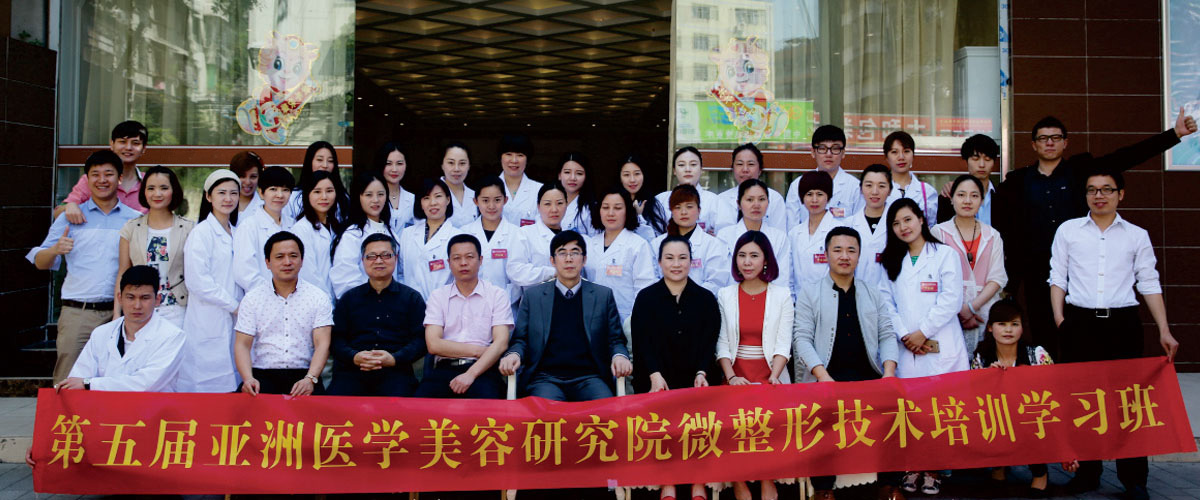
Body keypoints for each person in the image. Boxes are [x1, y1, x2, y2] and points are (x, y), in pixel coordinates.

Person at [995, 113, 1196, 359]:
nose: (1049, 143)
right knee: (1044, 342)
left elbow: (1127, 156)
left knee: (1084, 348)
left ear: (1065, 142)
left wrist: (1174, 134)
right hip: (1038, 274)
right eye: (1043, 138)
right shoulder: (1019, 181)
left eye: (1055, 138)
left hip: (1083, 271)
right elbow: (1003, 225)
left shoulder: (1081, 171)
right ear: (1033, 144)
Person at [1050, 168, 1180, 500]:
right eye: (1092, 189)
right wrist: (1061, 319)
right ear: (1085, 195)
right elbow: (1057, 277)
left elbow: (1149, 282)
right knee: (1082, 401)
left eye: (1107, 189)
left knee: (1129, 403)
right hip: (1079, 323)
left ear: (1120, 194)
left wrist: (1164, 330)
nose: (1099, 195)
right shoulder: (1068, 231)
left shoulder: (1136, 235)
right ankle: (1088, 474)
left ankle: (1134, 478)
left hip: (1122, 324)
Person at [793, 226, 901, 500]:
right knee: (820, 422)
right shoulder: (810, 292)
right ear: (826, 254)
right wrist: (823, 376)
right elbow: (802, 338)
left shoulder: (871, 292)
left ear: (859, 255)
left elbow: (887, 334)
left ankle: (889, 486)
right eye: (838, 250)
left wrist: (889, 373)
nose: (844, 256)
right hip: (827, 375)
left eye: (851, 250)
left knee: (894, 413)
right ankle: (824, 489)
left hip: (868, 375)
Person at [28, 149, 141, 383]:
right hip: (77, 313)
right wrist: (55, 249)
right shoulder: (70, 218)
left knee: (118, 381)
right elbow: (40, 262)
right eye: (95, 174)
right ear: (87, 179)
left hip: (121, 313)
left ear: (120, 179)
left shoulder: (134, 219)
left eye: (108, 174)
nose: (102, 180)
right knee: (68, 379)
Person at [879, 198, 967, 496]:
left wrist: (923, 332)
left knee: (939, 410)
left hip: (941, 344)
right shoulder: (890, 261)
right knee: (911, 411)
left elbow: (951, 299)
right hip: (906, 348)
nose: (903, 227)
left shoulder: (945, 254)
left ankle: (934, 469)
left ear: (921, 219)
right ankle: (912, 466)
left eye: (907, 219)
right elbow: (885, 302)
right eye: (896, 223)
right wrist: (906, 334)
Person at [631, 235, 720, 500]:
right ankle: (668, 480)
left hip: (696, 376)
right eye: (669, 258)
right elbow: (641, 342)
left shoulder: (705, 299)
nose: (676, 264)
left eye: (682, 258)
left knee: (701, 415)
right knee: (661, 414)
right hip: (657, 376)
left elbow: (710, 342)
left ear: (691, 262)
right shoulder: (646, 298)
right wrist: (654, 374)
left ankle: (697, 480)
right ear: (659, 262)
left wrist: (702, 371)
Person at [498, 230, 632, 400]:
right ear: (552, 260)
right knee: (546, 412)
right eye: (562, 253)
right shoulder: (534, 297)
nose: (569, 259)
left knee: (604, 410)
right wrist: (514, 354)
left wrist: (620, 356)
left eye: (575, 253)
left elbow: (615, 339)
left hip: (590, 377)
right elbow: (520, 340)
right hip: (545, 378)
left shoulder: (602, 296)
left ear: (584, 259)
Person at [715, 230, 793, 500]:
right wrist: (731, 377)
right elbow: (722, 342)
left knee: (768, 418)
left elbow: (783, 343)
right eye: (742, 256)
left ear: (766, 260)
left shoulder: (782, 295)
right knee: (733, 419)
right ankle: (739, 480)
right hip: (735, 373)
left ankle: (767, 477)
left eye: (754, 256)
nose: (747, 262)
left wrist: (774, 377)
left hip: (770, 373)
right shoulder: (725, 294)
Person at [55, 265, 186, 392]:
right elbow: (78, 378)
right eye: (130, 297)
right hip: (103, 405)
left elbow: (144, 384)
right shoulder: (101, 333)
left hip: (153, 406)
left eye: (145, 298)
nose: (137, 305)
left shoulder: (172, 336)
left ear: (157, 300)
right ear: (120, 298)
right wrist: (85, 383)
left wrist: (90, 384)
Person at [970, 300, 1053, 497]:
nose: (1008, 330)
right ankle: (999, 465)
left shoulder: (1036, 354)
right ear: (990, 327)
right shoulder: (982, 356)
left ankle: (1040, 472)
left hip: (1031, 415)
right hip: (999, 416)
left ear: (1022, 328)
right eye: (1002, 324)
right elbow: (974, 397)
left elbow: (1053, 392)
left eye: (1014, 324)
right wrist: (988, 378)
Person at [234, 231, 333, 396]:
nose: (287, 262)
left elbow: (322, 344)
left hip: (304, 375)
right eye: (279, 257)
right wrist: (248, 378)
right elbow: (242, 344)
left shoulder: (318, 297)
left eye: (293, 256)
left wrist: (310, 379)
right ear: (267, 262)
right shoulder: (252, 299)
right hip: (262, 375)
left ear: (302, 260)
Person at [328, 233, 427, 397]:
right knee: (336, 404)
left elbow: (421, 340)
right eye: (372, 256)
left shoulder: (411, 298)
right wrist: (354, 356)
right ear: (363, 260)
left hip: (396, 371)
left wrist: (395, 358)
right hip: (353, 370)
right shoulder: (349, 299)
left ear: (396, 258)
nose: (379, 261)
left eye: (386, 255)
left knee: (402, 404)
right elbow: (336, 339)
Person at [416, 234, 513, 398]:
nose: (463, 263)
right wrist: (479, 350)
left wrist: (470, 374)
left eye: (469, 257)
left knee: (490, 406)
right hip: (444, 369)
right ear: (449, 263)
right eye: (457, 258)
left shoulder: (497, 295)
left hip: (483, 369)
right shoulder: (438, 296)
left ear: (480, 260)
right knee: (419, 407)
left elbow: (501, 343)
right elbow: (433, 345)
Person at [177, 170, 243, 393]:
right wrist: (233, 305)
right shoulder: (201, 233)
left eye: (233, 193)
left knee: (233, 380)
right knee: (205, 385)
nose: (228, 198)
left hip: (235, 317)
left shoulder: (238, 232)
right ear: (208, 196)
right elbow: (198, 281)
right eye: (221, 193)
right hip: (208, 317)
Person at [932, 175, 1006, 351]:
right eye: (961, 195)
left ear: (981, 200)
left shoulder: (993, 235)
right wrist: (960, 310)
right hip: (949, 314)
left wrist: (971, 308)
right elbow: (934, 278)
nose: (967, 201)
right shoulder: (938, 233)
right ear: (951, 199)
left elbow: (997, 278)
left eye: (974, 195)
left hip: (986, 312)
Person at [114, 166, 194, 327]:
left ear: (174, 191)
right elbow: (123, 272)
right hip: (139, 309)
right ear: (144, 192)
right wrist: (117, 313)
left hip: (178, 309)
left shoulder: (189, 228)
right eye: (151, 188)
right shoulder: (130, 228)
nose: (157, 194)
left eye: (164, 188)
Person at [584, 186, 657, 322]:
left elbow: (644, 288)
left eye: (617, 208)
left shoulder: (638, 245)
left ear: (627, 211)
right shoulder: (589, 244)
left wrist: (634, 321)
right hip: (592, 318)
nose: (611, 213)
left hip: (627, 319)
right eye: (605, 207)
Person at [56, 121, 148, 220]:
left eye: (135, 143)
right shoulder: (93, 180)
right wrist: (69, 206)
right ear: (112, 144)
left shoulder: (149, 182)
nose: (128, 147)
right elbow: (58, 213)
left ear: (143, 148)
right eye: (122, 142)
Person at [718, 179, 793, 296]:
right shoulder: (725, 236)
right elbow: (723, 276)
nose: (756, 205)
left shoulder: (779, 237)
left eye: (762, 199)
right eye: (750, 200)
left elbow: (782, 278)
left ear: (768, 203)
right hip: (733, 298)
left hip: (771, 300)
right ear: (738, 204)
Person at [460, 176, 525, 311]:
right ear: (475, 201)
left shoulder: (517, 234)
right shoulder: (464, 233)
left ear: (505, 200)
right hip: (469, 307)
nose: (491, 206)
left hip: (506, 307)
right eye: (485, 200)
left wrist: (499, 302)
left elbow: (518, 277)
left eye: (497, 200)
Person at [651, 184, 730, 294]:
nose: (683, 212)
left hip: (700, 302)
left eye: (689, 206)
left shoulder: (713, 245)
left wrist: (688, 298)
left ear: (699, 210)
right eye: (678, 207)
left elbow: (716, 282)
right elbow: (652, 278)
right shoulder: (656, 244)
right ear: (671, 211)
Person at [331, 170, 397, 299]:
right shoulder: (352, 235)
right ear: (358, 197)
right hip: (363, 304)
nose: (375, 200)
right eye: (368, 195)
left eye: (380, 194)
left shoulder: (391, 232)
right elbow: (345, 280)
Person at [232, 166, 295, 293]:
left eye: (285, 190)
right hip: (261, 297)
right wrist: (273, 293)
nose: (279, 195)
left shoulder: (293, 225)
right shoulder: (249, 226)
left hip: (292, 296)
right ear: (261, 193)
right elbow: (244, 272)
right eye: (273, 189)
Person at [786, 125, 863, 225]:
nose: (829, 154)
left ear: (843, 153)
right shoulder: (797, 185)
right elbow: (792, 226)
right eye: (822, 148)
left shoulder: (855, 187)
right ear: (813, 152)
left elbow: (859, 225)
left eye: (835, 148)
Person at [400, 178, 460, 300]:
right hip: (409, 305)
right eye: (426, 198)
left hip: (444, 305)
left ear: (448, 200)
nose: (433, 203)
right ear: (420, 203)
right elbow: (400, 273)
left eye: (438, 196)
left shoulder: (458, 237)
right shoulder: (407, 234)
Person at [787, 171, 842, 293]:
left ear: (828, 197)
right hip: (801, 299)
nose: (814, 200)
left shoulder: (839, 231)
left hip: (831, 297)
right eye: (809, 194)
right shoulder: (794, 234)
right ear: (802, 198)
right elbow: (789, 273)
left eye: (820, 194)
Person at [507, 182, 568, 292]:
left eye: (559, 203)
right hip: (535, 299)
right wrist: (553, 272)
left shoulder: (571, 236)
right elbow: (515, 271)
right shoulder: (525, 234)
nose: (554, 209)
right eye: (547, 204)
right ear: (538, 206)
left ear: (566, 204)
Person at [291, 170, 342, 300]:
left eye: (329, 191)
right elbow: (308, 273)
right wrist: (327, 301)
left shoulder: (337, 226)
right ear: (307, 194)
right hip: (314, 301)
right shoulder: (301, 229)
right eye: (317, 191)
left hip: (338, 300)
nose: (324, 197)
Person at [714, 143, 787, 233]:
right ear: (733, 169)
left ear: (760, 170)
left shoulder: (775, 198)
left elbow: (779, 234)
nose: (745, 169)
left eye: (751, 164)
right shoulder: (721, 199)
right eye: (740, 164)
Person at [846, 164, 892, 288]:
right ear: (861, 189)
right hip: (856, 294)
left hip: (890, 296)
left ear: (890, 190)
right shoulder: (848, 225)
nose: (875, 191)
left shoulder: (897, 226)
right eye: (869, 185)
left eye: (881, 186)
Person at [656, 146, 720, 234]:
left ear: (701, 169)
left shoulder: (715, 200)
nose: (687, 169)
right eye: (681, 165)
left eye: (693, 164)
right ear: (674, 170)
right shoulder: (660, 200)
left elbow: (723, 235)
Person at [936, 134, 998, 224]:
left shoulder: (1004, 196)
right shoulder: (949, 197)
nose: (982, 165)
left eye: (987, 159)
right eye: (975, 159)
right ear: (966, 161)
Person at [883, 131, 937, 227]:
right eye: (894, 152)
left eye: (906, 151)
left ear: (913, 155)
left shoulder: (927, 192)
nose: (901, 157)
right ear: (886, 157)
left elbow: (931, 227)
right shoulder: (879, 190)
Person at [283, 141, 347, 222]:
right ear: (310, 162)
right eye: (319, 160)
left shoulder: (343, 197)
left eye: (330, 161)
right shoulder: (293, 196)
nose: (325, 165)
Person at [498, 134, 544, 227]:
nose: (514, 160)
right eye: (508, 154)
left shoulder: (540, 190)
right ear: (500, 157)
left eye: (520, 155)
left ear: (527, 159)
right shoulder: (487, 188)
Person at [618, 154, 668, 241]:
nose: (632, 180)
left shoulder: (652, 205)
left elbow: (655, 241)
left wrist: (639, 216)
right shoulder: (614, 203)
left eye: (637, 174)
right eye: (626, 175)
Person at [375, 141, 416, 232]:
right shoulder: (373, 199)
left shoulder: (413, 200)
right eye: (388, 163)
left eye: (399, 163)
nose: (394, 169)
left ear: (406, 165)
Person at [441, 141, 478, 228]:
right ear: (442, 165)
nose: (456, 169)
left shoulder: (475, 196)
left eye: (462, 163)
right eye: (451, 163)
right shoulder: (430, 195)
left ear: (469, 166)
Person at [559, 152, 597, 235]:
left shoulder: (592, 208)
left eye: (579, 173)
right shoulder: (547, 202)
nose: (572, 178)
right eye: (567, 172)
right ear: (559, 175)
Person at [230, 150, 264, 218]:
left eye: (253, 177)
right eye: (242, 176)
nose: (248, 182)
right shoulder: (223, 203)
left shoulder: (266, 207)